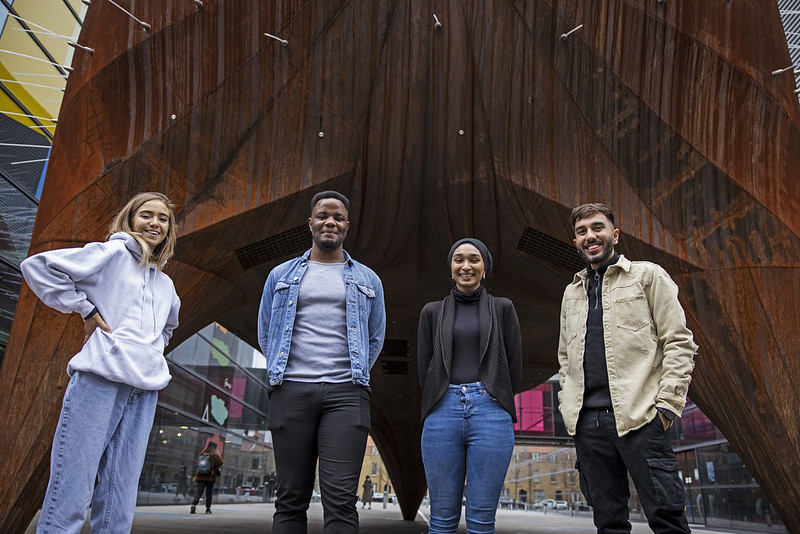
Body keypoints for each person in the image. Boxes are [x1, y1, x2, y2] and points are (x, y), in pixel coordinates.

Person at [21, 192, 181, 533]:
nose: (155, 223)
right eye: (147, 215)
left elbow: (169, 326)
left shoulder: (166, 283)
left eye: (163, 219)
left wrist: (152, 351)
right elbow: (39, 267)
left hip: (144, 389)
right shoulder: (112, 252)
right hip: (100, 379)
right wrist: (86, 309)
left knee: (120, 493)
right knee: (73, 485)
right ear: (131, 219)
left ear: (170, 229)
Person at [558, 203, 697, 533]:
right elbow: (565, 358)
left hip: (640, 418)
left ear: (614, 235)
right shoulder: (571, 293)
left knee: (667, 519)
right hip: (588, 426)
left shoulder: (648, 276)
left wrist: (666, 408)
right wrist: (568, 407)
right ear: (576, 241)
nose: (590, 236)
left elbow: (679, 343)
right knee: (608, 524)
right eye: (582, 232)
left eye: (597, 228)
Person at [257, 190, 386, 533]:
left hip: (347, 394)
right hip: (291, 390)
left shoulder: (368, 279)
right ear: (310, 223)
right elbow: (267, 333)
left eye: (338, 217)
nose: (330, 222)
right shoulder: (280, 275)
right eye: (323, 216)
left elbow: (375, 338)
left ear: (347, 225)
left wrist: (353, 372)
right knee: (289, 499)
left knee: (341, 501)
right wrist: (280, 373)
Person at [418, 238, 522, 534]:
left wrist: (494, 396)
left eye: (474, 259)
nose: (466, 266)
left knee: (481, 521)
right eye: (459, 260)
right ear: (451, 268)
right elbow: (425, 368)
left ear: (484, 268)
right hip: (442, 410)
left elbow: (514, 366)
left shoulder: (503, 308)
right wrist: (439, 398)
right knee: (441, 519)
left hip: (491, 411)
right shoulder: (432, 312)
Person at [191, 441, 224, 514]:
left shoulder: (202, 454)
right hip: (210, 477)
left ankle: (193, 504)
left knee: (199, 492)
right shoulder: (215, 455)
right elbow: (220, 463)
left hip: (200, 476)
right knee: (208, 493)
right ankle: (208, 509)